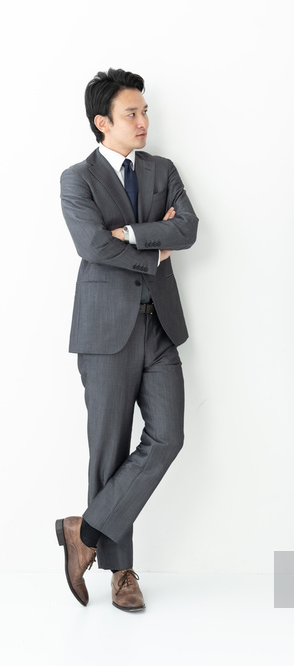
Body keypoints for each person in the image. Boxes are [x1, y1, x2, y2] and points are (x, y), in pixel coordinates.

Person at [56, 68, 198, 612]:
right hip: (104, 329)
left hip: (159, 325)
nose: (143, 122)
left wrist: (134, 232)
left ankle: (83, 532)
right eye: (131, 114)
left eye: (145, 111)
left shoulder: (163, 169)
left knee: (168, 438)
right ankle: (122, 574)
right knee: (109, 450)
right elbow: (92, 246)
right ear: (102, 122)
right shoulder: (77, 178)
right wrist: (155, 248)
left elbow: (188, 227)